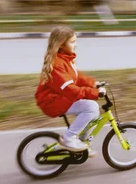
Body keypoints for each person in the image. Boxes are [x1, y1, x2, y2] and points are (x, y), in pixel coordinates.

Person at [35, 26, 106, 155]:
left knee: (94, 111)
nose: (76, 45)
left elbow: (77, 77)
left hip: (59, 97)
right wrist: (95, 93)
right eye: (72, 42)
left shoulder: (66, 59)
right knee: (90, 107)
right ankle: (69, 139)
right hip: (51, 101)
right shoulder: (57, 64)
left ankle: (80, 143)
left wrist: (94, 84)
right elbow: (70, 89)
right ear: (61, 44)